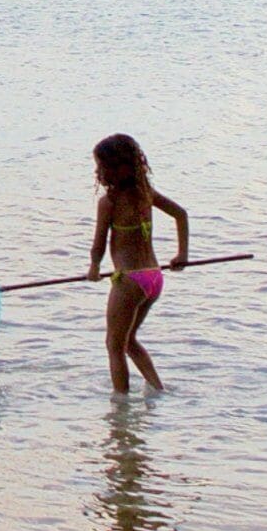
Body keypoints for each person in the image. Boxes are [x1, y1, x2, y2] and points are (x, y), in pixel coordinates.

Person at [87, 133, 190, 394]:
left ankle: (120, 405)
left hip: (130, 281)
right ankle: (158, 389)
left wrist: (94, 268)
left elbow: (99, 244)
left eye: (101, 167)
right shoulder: (146, 194)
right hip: (154, 278)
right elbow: (181, 215)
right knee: (129, 340)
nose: (98, 172)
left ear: (116, 169)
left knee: (113, 345)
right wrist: (182, 255)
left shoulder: (109, 203)